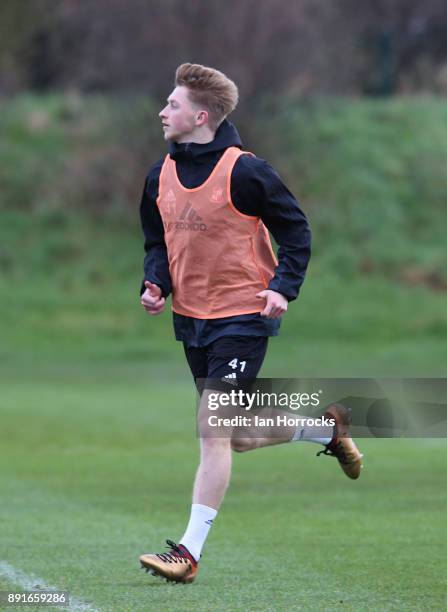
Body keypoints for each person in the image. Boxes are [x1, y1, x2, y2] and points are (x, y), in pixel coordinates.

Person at [138, 63, 363, 584]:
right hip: (191, 317)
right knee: (235, 436)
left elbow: (297, 231)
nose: (162, 111)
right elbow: (157, 242)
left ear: (200, 115)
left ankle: (188, 554)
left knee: (211, 428)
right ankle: (325, 427)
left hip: (242, 315)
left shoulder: (247, 172)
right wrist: (155, 283)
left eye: (171, 104)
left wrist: (282, 287)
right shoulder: (158, 174)